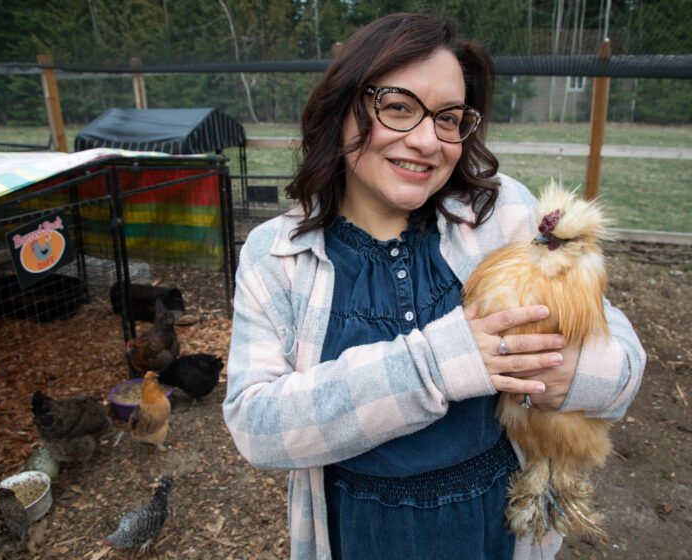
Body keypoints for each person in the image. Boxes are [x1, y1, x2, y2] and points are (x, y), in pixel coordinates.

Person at [223, 12, 645, 560]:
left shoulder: (502, 214)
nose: (427, 141)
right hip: (363, 531)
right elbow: (258, 428)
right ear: (343, 108)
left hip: (494, 520)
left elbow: (626, 365)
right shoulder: (276, 255)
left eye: (449, 119)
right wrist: (438, 366)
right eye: (398, 107)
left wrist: (569, 376)